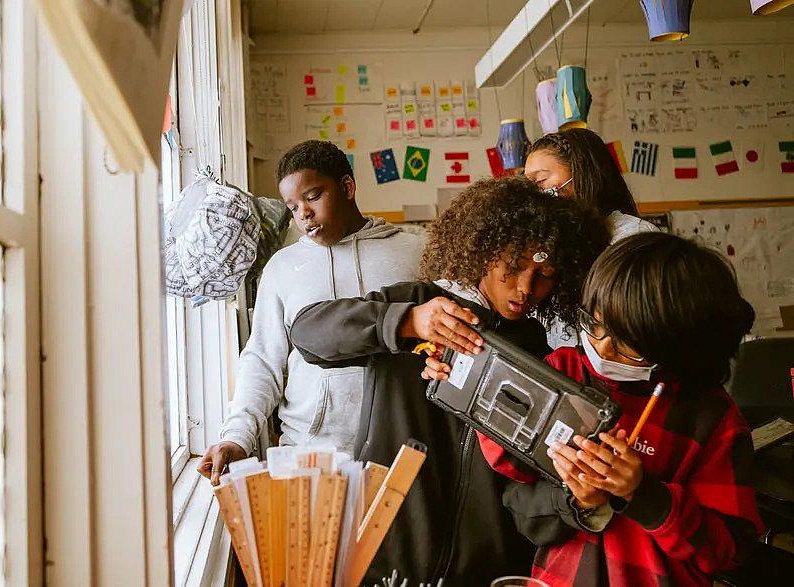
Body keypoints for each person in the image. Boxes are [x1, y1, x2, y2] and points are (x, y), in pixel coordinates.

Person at [289, 177, 610, 585]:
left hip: (485, 572)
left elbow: (519, 489)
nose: (526, 288)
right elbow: (308, 335)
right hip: (383, 556)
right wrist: (406, 322)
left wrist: (577, 497)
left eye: (544, 275)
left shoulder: (539, 353)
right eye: (514, 266)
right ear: (484, 250)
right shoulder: (417, 302)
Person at [427, 232, 764, 586]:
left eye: (628, 344)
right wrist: (459, 374)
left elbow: (730, 552)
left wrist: (644, 494)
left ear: (678, 344)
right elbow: (514, 477)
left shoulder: (711, 419)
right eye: (596, 324)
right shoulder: (566, 372)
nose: (602, 349)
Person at [198, 140, 424, 484]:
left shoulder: (414, 252)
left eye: (313, 196)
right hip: (309, 455)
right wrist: (237, 436)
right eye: (292, 206)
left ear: (347, 187)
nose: (303, 213)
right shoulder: (282, 269)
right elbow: (262, 359)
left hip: (406, 453)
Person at [525, 127, 659, 348]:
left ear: (583, 175)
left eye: (540, 182)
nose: (533, 195)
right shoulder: (551, 242)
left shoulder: (633, 238)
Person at [524, 127, 659, 243]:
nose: (532, 191)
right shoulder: (554, 238)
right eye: (527, 183)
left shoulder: (634, 235)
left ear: (581, 174)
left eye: (541, 180)